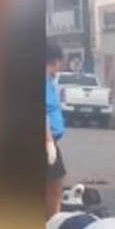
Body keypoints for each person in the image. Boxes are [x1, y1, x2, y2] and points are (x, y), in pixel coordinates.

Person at [46, 42, 67, 219]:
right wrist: (48, 142)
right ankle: (52, 222)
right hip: (46, 140)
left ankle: (51, 221)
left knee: (55, 184)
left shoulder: (50, 81)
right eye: (59, 63)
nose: (59, 69)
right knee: (54, 187)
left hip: (51, 140)